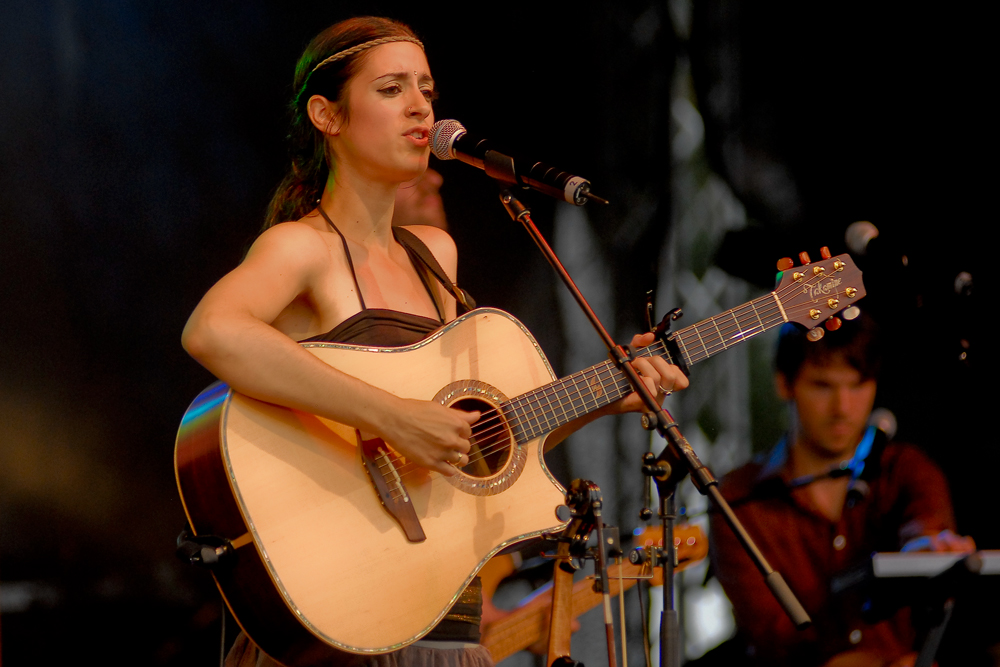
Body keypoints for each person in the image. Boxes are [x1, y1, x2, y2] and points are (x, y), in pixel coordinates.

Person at [181, 16, 688, 667]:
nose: (421, 106)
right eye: (391, 89)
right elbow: (212, 331)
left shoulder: (435, 256)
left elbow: (474, 444)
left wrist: (610, 392)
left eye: (426, 89)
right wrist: (395, 417)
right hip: (339, 611)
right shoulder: (300, 247)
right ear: (326, 115)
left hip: (444, 614)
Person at [708, 315, 974, 667]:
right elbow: (775, 641)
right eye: (822, 386)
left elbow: (924, 524)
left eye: (858, 385)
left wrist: (926, 548)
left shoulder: (908, 469)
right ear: (784, 384)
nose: (842, 408)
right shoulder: (739, 498)